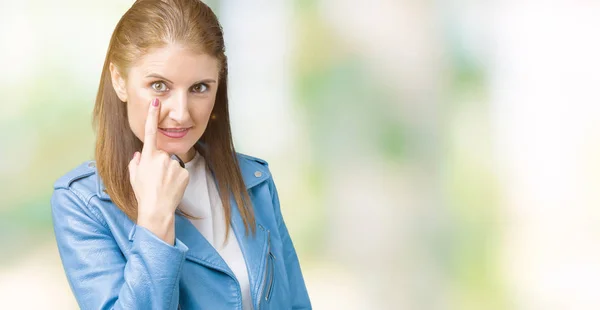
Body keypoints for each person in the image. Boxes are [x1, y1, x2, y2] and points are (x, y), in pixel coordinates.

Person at [50, 0, 311, 309]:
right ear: (120, 81)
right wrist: (154, 222)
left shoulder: (254, 182)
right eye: (159, 85)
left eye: (199, 87)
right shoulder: (84, 203)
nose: (181, 112)